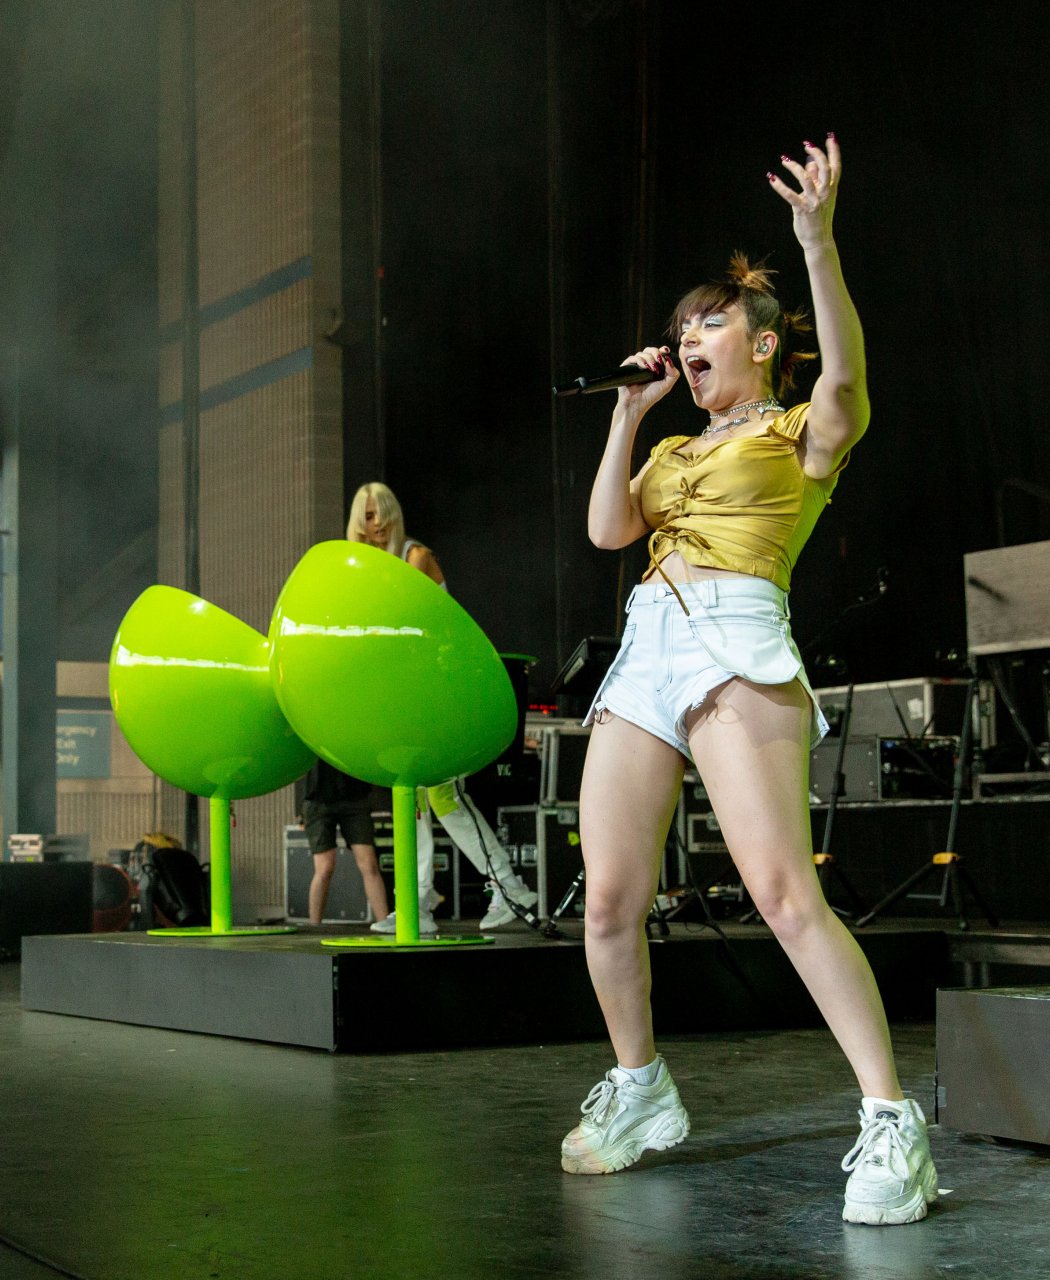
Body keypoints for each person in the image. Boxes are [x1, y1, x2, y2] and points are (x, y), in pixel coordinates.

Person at [563, 135, 937, 1225]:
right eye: (681, 328)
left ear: (763, 345)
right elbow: (607, 530)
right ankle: (640, 1087)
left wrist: (817, 241)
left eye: (708, 325)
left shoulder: (795, 433)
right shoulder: (672, 450)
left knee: (781, 893)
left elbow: (848, 381)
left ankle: (892, 1119)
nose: (687, 338)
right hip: (646, 646)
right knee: (609, 902)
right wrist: (629, 412)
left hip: (736, 637)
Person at [345, 481, 543, 932]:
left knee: (443, 795)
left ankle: (509, 889)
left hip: (436, 694)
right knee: (410, 797)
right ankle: (419, 901)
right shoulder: (369, 568)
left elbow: (414, 624)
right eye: (367, 516)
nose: (375, 524)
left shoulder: (414, 557)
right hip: (405, 698)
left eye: (380, 513)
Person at [298, 759, 391, 925]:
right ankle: (315, 926)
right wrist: (299, 809)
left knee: (369, 864)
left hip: (355, 796)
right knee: (324, 868)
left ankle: (385, 924)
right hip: (318, 797)